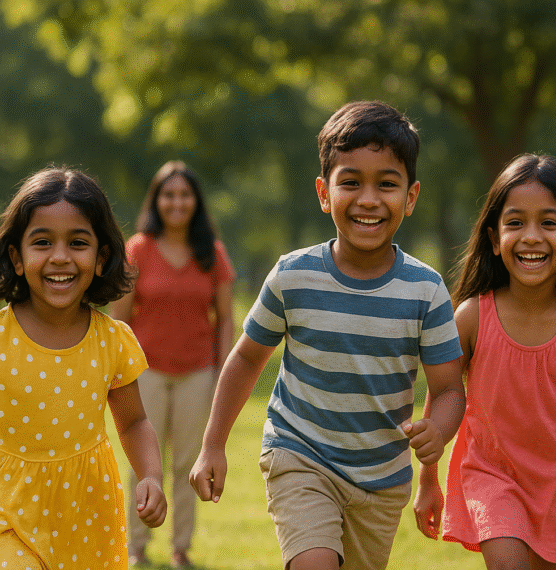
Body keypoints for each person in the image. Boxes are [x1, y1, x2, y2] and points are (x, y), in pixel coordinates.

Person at [189, 100, 466, 570]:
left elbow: (448, 389)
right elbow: (246, 358)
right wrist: (213, 443)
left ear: (411, 197)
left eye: (387, 184)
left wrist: (438, 433)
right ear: (323, 192)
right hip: (300, 452)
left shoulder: (426, 289)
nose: (368, 199)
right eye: (351, 182)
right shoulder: (292, 276)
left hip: (381, 477)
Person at [413, 154, 556, 569]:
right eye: (515, 223)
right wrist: (428, 480)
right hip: (490, 475)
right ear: (495, 239)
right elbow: (445, 394)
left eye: (548, 223)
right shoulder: (471, 317)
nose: (531, 236)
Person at [0, 167, 167, 568]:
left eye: (78, 243)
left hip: (88, 511)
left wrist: (151, 476)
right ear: (16, 258)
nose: (60, 257)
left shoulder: (111, 340)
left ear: (101, 257)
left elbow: (133, 423)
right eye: (42, 242)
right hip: (10, 505)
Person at [112, 161, 235, 567]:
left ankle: (180, 547)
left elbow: (225, 319)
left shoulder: (211, 253)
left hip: (197, 373)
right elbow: (119, 318)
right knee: (142, 462)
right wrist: (115, 372)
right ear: (157, 200)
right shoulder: (138, 249)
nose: (177, 202)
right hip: (144, 372)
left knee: (188, 462)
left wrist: (223, 372)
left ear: (195, 201)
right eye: (169, 194)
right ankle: (135, 546)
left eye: (184, 194)